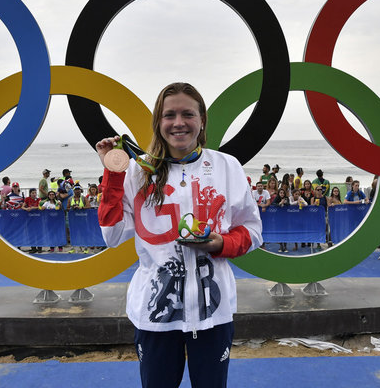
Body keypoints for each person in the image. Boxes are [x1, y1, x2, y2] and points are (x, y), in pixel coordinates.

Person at [95, 82, 262, 388]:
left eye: (188, 114)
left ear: (202, 121)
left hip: (213, 312)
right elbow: (113, 233)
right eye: (169, 115)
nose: (179, 122)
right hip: (155, 313)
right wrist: (113, 173)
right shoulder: (137, 172)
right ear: (159, 122)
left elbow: (253, 231)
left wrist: (222, 243)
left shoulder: (228, 167)